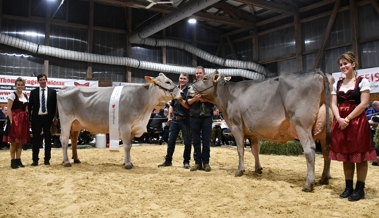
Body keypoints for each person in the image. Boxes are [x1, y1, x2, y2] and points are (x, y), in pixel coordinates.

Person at [329, 51, 377, 201]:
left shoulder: (362, 81)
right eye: (341, 65)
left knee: (360, 156)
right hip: (341, 122)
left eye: (346, 64)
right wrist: (338, 118)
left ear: (353, 64)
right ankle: (348, 187)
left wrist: (347, 119)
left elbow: (363, 104)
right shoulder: (337, 83)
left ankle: (360, 189)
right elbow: (333, 103)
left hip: (357, 122)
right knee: (346, 156)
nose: (343, 66)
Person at [158, 73, 192, 169]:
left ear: (187, 80)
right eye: (181, 78)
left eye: (184, 78)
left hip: (186, 120)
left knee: (187, 142)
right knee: (171, 141)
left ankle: (186, 161)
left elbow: (188, 106)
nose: (182, 80)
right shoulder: (175, 89)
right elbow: (172, 104)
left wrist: (180, 99)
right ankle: (168, 160)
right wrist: (169, 117)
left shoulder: (189, 91)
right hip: (175, 120)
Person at [187, 66, 213, 172]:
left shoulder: (210, 87)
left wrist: (205, 99)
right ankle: (197, 163)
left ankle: (206, 163)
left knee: (206, 141)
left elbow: (215, 101)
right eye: (197, 73)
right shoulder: (191, 86)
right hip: (194, 116)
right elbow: (188, 102)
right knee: (196, 141)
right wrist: (195, 99)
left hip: (207, 116)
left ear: (204, 73)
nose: (198, 75)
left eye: (200, 73)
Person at [28, 74, 57, 166]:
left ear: (46, 80)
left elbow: (55, 106)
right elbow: (30, 106)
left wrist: (55, 117)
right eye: (40, 80)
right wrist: (29, 118)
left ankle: (47, 159)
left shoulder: (53, 92)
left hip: (48, 119)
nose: (42, 81)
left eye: (44, 79)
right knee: (36, 140)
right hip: (36, 119)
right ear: (38, 81)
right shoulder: (33, 92)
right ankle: (35, 160)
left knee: (48, 140)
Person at [3, 77, 29, 169]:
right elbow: (9, 109)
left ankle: (18, 159)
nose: (20, 86)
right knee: (13, 142)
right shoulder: (12, 95)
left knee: (20, 142)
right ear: (15, 85)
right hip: (15, 120)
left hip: (22, 121)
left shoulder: (25, 96)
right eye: (18, 85)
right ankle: (13, 161)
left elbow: (26, 109)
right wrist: (11, 121)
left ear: (24, 86)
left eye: (22, 85)